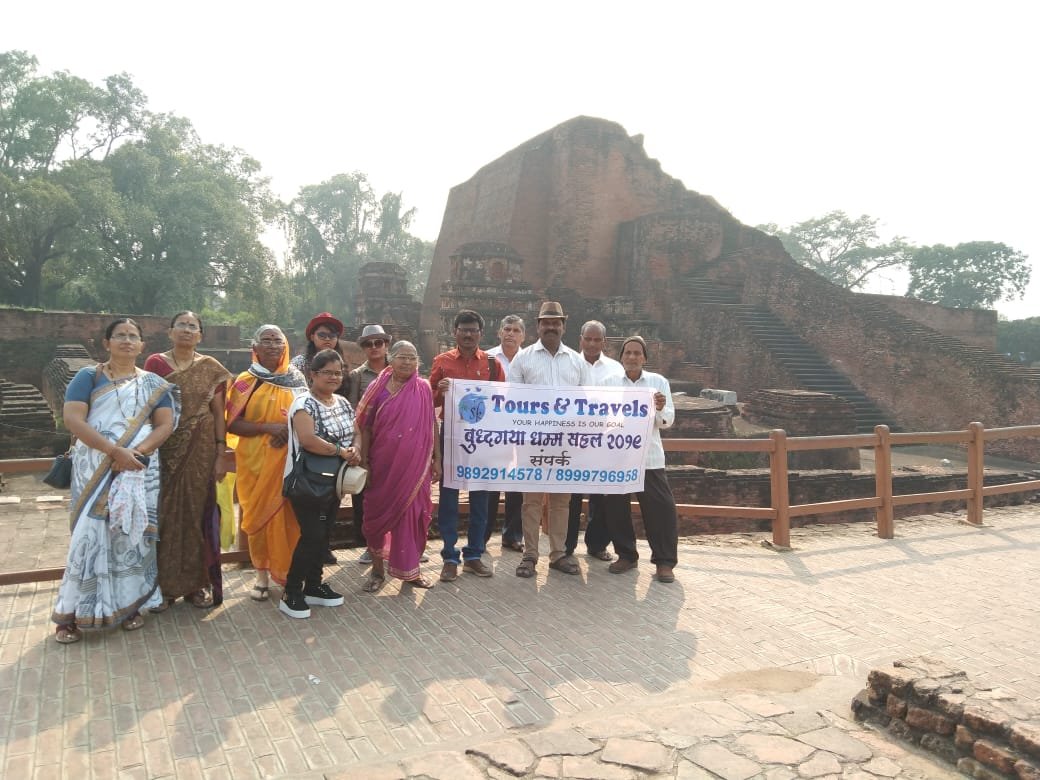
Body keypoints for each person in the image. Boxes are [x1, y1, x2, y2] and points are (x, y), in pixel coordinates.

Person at [52, 318, 179, 644]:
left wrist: (134, 454)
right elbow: (72, 419)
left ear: (141, 346)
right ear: (105, 343)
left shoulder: (153, 383)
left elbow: (165, 425)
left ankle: (128, 605)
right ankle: (71, 614)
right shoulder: (87, 377)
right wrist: (113, 451)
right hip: (96, 468)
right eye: (119, 335)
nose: (126, 340)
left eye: (132, 336)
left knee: (131, 536)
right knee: (88, 539)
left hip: (138, 469)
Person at [144, 311, 232, 611]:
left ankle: (197, 585)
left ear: (200, 335)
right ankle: (165, 588)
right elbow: (149, 407)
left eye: (192, 326)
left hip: (202, 448)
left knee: (199, 515)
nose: (186, 329)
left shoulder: (211, 368)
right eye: (181, 325)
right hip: (166, 448)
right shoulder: (155, 364)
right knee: (166, 515)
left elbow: (219, 412)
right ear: (170, 332)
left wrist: (221, 452)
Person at [507, 302, 589, 578]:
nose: (551, 327)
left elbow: (586, 402)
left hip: (565, 441)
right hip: (532, 441)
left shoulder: (577, 361)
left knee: (561, 501)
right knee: (531, 500)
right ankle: (530, 555)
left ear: (564, 326)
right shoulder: (524, 358)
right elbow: (511, 400)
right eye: (546, 322)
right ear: (538, 326)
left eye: (556, 322)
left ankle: (558, 554)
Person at [226, 325, 306, 600]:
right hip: (256, 461)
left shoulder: (298, 380)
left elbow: (311, 415)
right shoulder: (245, 381)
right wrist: (268, 427)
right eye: (266, 340)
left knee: (290, 519)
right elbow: (233, 424)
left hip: (291, 461)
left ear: (285, 347)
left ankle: (289, 575)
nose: (273, 346)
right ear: (255, 347)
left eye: (278, 341)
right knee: (258, 516)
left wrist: (291, 429)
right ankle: (261, 574)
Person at [279, 349, 361, 618]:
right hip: (307, 481)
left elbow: (356, 431)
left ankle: (314, 586)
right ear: (312, 375)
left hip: (333, 482)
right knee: (312, 535)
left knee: (323, 536)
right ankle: (291, 591)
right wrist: (341, 451)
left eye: (338, 372)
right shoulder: (304, 403)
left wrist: (356, 449)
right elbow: (308, 439)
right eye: (327, 372)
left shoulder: (341, 403)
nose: (334, 377)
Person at [355, 340, 440, 591]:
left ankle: (411, 572)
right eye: (402, 357)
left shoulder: (423, 388)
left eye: (412, 357)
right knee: (376, 518)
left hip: (417, 469)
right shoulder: (377, 388)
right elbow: (365, 428)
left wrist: (437, 459)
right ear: (390, 359)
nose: (407, 362)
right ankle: (378, 572)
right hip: (383, 466)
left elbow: (431, 425)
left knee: (415, 516)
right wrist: (366, 462)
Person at [601, 336, 679, 583]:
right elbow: (600, 419)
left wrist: (657, 408)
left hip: (649, 458)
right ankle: (626, 554)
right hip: (618, 456)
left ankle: (664, 562)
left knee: (661, 510)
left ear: (645, 358)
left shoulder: (658, 383)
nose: (632, 357)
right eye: (628, 353)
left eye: (637, 353)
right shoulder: (609, 383)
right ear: (621, 357)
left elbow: (667, 421)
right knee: (615, 509)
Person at [429, 309, 499, 582]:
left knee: (480, 498)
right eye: (463, 329)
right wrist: (440, 391)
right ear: (454, 332)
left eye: (473, 330)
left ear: (481, 334)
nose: (468, 334)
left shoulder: (492, 364)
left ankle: (474, 555)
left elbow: (503, 401)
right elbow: (429, 400)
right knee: (449, 497)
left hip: (482, 437)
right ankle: (449, 555)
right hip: (452, 435)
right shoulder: (442, 362)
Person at [566, 320, 624, 563]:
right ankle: (566, 546)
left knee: (602, 495)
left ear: (604, 342)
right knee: (571, 495)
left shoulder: (615, 369)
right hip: (574, 439)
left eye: (596, 339)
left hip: (605, 439)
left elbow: (624, 402)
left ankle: (597, 544)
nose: (591, 343)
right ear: (580, 339)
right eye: (587, 339)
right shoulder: (568, 363)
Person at [291, 311, 347, 565]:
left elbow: (344, 403)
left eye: (332, 335)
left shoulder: (340, 363)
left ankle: (323, 550)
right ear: (311, 336)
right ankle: (305, 565)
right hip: (310, 444)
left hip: (337, 442)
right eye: (322, 335)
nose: (327, 339)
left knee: (331, 503)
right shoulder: (298, 366)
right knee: (311, 511)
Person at [346, 324, 390, 565]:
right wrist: (359, 449)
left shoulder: (399, 372)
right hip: (367, 442)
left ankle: (400, 544)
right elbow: (354, 414)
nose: (374, 348)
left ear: (386, 345)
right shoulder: (357, 377)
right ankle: (368, 545)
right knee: (365, 496)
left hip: (394, 443)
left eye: (378, 343)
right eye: (368, 344)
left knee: (394, 492)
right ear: (362, 348)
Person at [484, 315, 525, 552]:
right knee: (490, 485)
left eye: (515, 330)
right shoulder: (487, 358)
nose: (510, 333)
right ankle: (483, 534)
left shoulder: (530, 359)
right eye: (506, 329)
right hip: (493, 431)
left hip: (520, 430)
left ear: (523, 336)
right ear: (499, 332)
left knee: (516, 486)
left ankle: (513, 534)